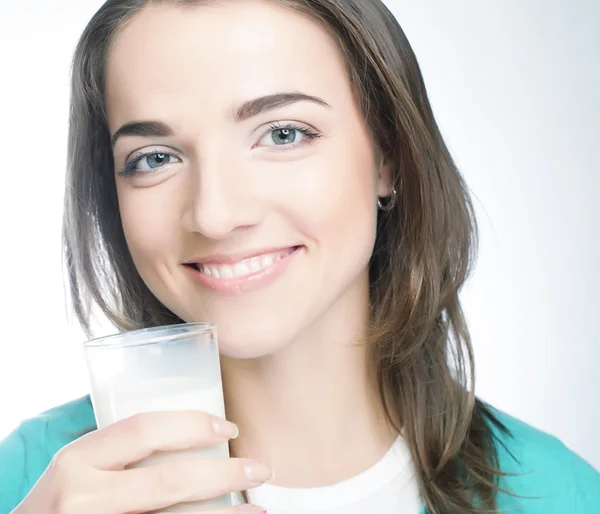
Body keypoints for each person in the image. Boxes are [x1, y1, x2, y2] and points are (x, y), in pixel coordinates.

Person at [1, 0, 599, 513]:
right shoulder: (33, 481)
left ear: (388, 157)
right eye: (155, 157)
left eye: (283, 133)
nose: (214, 213)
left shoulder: (557, 493)